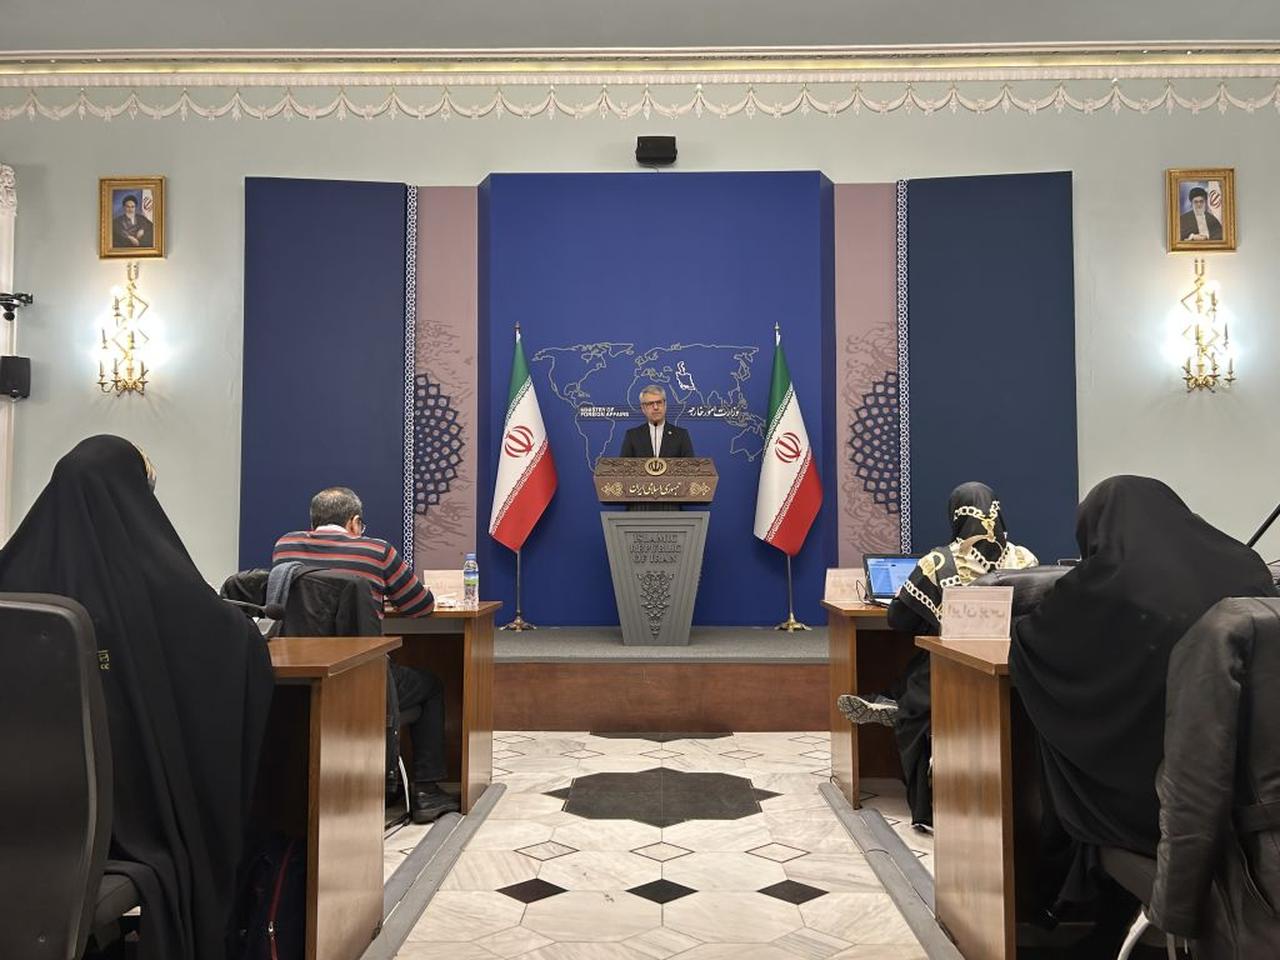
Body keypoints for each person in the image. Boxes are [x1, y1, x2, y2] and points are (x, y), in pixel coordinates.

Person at [0, 435, 274, 960]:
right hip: (129, 816)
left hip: (20, 814)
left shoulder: (13, 577)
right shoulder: (159, 585)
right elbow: (232, 648)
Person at [1010, 476, 1275, 914]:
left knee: (1055, 739)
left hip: (1156, 802)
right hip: (1249, 789)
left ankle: (1062, 895)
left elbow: (1037, 645)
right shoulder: (1247, 564)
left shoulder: (1104, 581)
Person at [837, 482, 1037, 827]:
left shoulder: (939, 561)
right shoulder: (1025, 558)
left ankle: (926, 808)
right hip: (1015, 670)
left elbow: (899, 619)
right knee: (920, 672)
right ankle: (891, 696)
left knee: (916, 702)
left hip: (952, 671)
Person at [271, 486, 458, 823]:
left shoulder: (285, 546)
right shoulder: (376, 551)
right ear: (355, 522)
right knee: (430, 685)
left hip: (302, 679)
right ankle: (426, 791)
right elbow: (419, 605)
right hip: (361, 679)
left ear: (312, 523)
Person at [620, 384, 694, 458]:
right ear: (643, 408)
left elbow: (690, 466)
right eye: (650, 404)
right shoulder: (632, 436)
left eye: (659, 402)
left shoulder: (681, 435)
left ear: (665, 405)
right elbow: (623, 467)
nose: (655, 407)